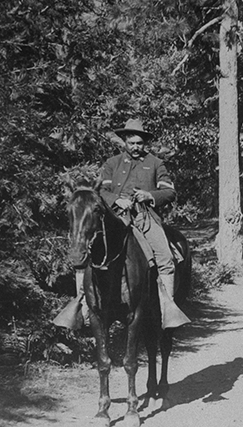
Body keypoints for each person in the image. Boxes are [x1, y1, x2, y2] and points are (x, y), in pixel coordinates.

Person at [55, 119, 191, 330]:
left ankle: (167, 308)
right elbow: (98, 190)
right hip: (115, 216)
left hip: (145, 218)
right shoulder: (112, 163)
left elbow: (170, 192)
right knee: (85, 252)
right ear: (124, 142)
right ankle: (81, 306)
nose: (135, 147)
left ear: (145, 143)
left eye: (139, 143)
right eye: (131, 142)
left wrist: (149, 195)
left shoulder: (156, 164)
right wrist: (115, 200)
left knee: (165, 258)